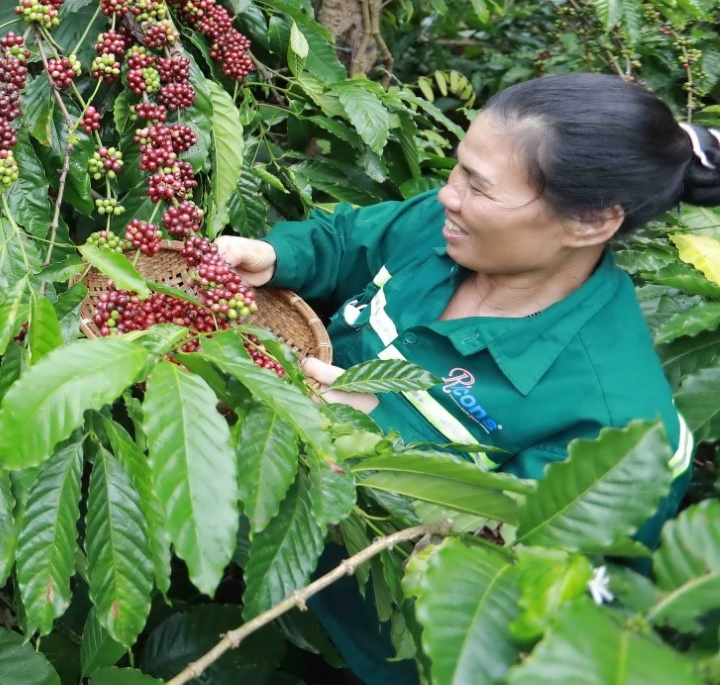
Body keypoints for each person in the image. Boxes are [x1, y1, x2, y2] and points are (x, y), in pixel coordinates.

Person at [216, 73, 720, 684]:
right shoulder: (445, 227)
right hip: (253, 546)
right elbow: (351, 240)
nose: (449, 196)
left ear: (590, 222)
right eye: (458, 170)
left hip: (376, 646)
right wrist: (278, 257)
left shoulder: (624, 430)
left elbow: (520, 578)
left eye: (479, 188)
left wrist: (378, 441)